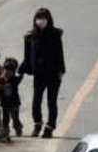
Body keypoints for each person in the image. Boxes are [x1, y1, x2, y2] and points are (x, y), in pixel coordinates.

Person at [19, 8, 65, 138]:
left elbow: (59, 54)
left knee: (52, 101)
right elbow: (27, 57)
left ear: (49, 19)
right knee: (36, 100)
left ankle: (50, 127)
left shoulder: (55, 34)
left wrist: (61, 70)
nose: (41, 21)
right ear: (35, 20)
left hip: (53, 73)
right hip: (39, 74)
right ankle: (37, 123)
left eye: (44, 18)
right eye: (39, 18)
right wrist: (21, 70)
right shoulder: (30, 37)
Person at [0, 57, 24, 137]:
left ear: (13, 72)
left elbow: (21, 74)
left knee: (15, 117)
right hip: (5, 103)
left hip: (15, 102)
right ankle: (5, 130)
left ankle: (18, 128)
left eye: (10, 71)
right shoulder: (0, 80)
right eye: (6, 70)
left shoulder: (15, 80)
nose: (8, 72)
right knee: (5, 118)